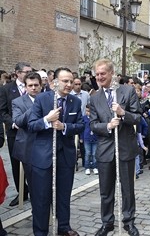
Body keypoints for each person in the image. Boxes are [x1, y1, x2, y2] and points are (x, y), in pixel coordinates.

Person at [28, 67, 84, 236]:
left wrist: (64, 126)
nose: (68, 85)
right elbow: (31, 125)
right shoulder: (42, 99)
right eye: (65, 81)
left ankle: (64, 227)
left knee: (64, 195)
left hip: (66, 156)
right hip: (43, 157)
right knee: (41, 198)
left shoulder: (76, 101)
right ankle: (41, 231)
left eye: (71, 81)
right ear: (55, 82)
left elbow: (81, 125)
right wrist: (47, 120)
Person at [90, 59, 142, 236]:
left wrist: (122, 113)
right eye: (97, 74)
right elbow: (93, 124)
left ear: (112, 73)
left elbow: (137, 117)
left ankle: (129, 221)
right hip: (105, 151)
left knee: (127, 189)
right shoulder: (94, 97)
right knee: (106, 191)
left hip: (125, 148)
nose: (99, 77)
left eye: (103, 73)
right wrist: (107, 126)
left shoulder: (127, 91)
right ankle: (107, 223)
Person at [0, 62, 32, 207]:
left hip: (32, 132)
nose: (29, 74)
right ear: (17, 73)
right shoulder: (6, 89)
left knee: (32, 161)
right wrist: (13, 123)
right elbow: (2, 111)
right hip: (15, 132)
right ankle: (22, 191)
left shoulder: (34, 87)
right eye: (26, 72)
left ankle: (34, 189)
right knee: (16, 163)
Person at [11, 72, 43, 191]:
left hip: (46, 144)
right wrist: (35, 107)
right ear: (25, 87)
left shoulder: (50, 98)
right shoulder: (18, 102)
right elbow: (18, 121)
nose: (33, 88)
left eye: (36, 85)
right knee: (33, 181)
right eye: (30, 85)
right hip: (28, 146)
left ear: (41, 85)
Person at [81, 106, 98, 175]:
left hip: (95, 138)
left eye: (89, 111)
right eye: (87, 111)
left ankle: (95, 167)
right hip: (87, 138)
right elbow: (81, 129)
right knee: (87, 153)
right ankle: (87, 167)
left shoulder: (95, 118)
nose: (88, 113)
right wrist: (81, 138)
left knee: (94, 154)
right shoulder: (84, 118)